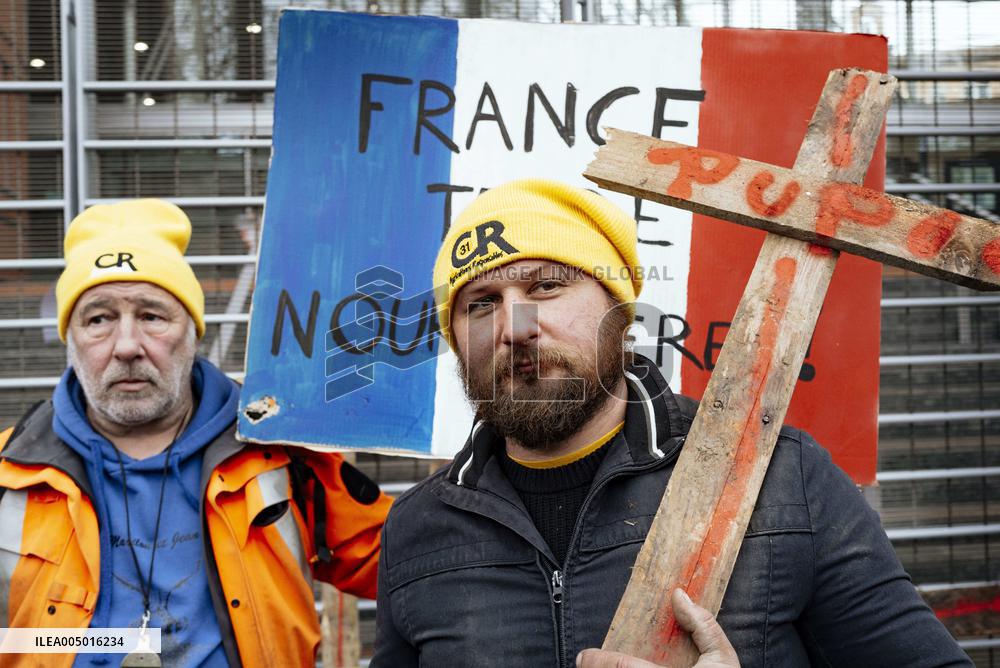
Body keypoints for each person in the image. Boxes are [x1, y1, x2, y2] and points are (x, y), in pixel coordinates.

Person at [371, 179, 971, 667]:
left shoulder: (779, 480)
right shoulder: (419, 527)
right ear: (455, 339)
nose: (515, 326)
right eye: (481, 303)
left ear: (618, 311)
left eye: (547, 286)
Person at [0, 200, 392, 667]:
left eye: (152, 316)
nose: (126, 346)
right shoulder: (11, 474)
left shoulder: (278, 454)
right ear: (71, 340)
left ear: (192, 333)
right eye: (98, 319)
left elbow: (412, 563)